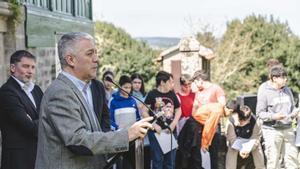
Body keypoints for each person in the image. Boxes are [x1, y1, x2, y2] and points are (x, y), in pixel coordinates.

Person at [34, 32, 153, 169]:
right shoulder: (60, 92)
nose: (96, 59)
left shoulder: (86, 87)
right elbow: (78, 141)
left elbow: (99, 127)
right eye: (90, 54)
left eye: (96, 53)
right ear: (71, 60)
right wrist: (127, 135)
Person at [0, 50, 43, 169]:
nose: (30, 71)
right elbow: (30, 128)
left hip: (38, 156)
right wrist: (45, 120)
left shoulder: (36, 90)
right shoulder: (7, 92)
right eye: (25, 66)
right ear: (13, 68)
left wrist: (39, 120)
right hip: (18, 160)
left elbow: (47, 117)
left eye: (33, 67)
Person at [256, 66, 299, 169]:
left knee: (292, 159)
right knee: (273, 160)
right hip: (272, 131)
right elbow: (260, 113)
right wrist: (274, 116)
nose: (286, 79)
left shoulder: (287, 90)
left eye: (286, 77)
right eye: (283, 77)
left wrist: (295, 113)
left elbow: (292, 108)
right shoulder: (264, 90)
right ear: (274, 78)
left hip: (288, 129)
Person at [176, 100, 237, 169]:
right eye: (231, 113)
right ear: (230, 110)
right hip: (194, 126)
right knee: (194, 155)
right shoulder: (217, 111)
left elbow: (212, 129)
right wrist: (204, 144)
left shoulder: (219, 106)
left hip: (195, 124)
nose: (229, 115)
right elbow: (209, 128)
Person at [142, 70, 181, 169]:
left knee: (170, 162)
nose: (172, 84)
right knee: (157, 161)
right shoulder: (152, 94)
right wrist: (154, 125)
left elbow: (178, 110)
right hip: (156, 133)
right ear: (162, 82)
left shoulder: (172, 94)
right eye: (170, 82)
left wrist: (173, 124)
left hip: (169, 132)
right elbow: (144, 111)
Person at [192, 69, 226, 169]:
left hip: (214, 127)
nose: (195, 84)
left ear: (200, 80)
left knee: (213, 156)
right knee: (200, 156)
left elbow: (222, 105)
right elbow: (195, 107)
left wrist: (209, 108)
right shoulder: (198, 91)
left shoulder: (216, 89)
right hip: (200, 126)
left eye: (195, 82)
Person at [110, 75, 141, 169]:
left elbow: (138, 118)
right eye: (125, 87)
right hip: (120, 138)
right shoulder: (113, 101)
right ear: (120, 86)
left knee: (133, 165)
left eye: (129, 87)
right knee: (121, 165)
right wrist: (117, 126)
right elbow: (109, 119)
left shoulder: (133, 101)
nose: (128, 90)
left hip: (133, 138)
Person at [130, 73, 151, 169]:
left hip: (145, 131)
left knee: (146, 160)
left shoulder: (146, 96)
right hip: (132, 129)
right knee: (134, 162)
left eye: (139, 82)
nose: (137, 85)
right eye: (134, 82)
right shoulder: (128, 96)